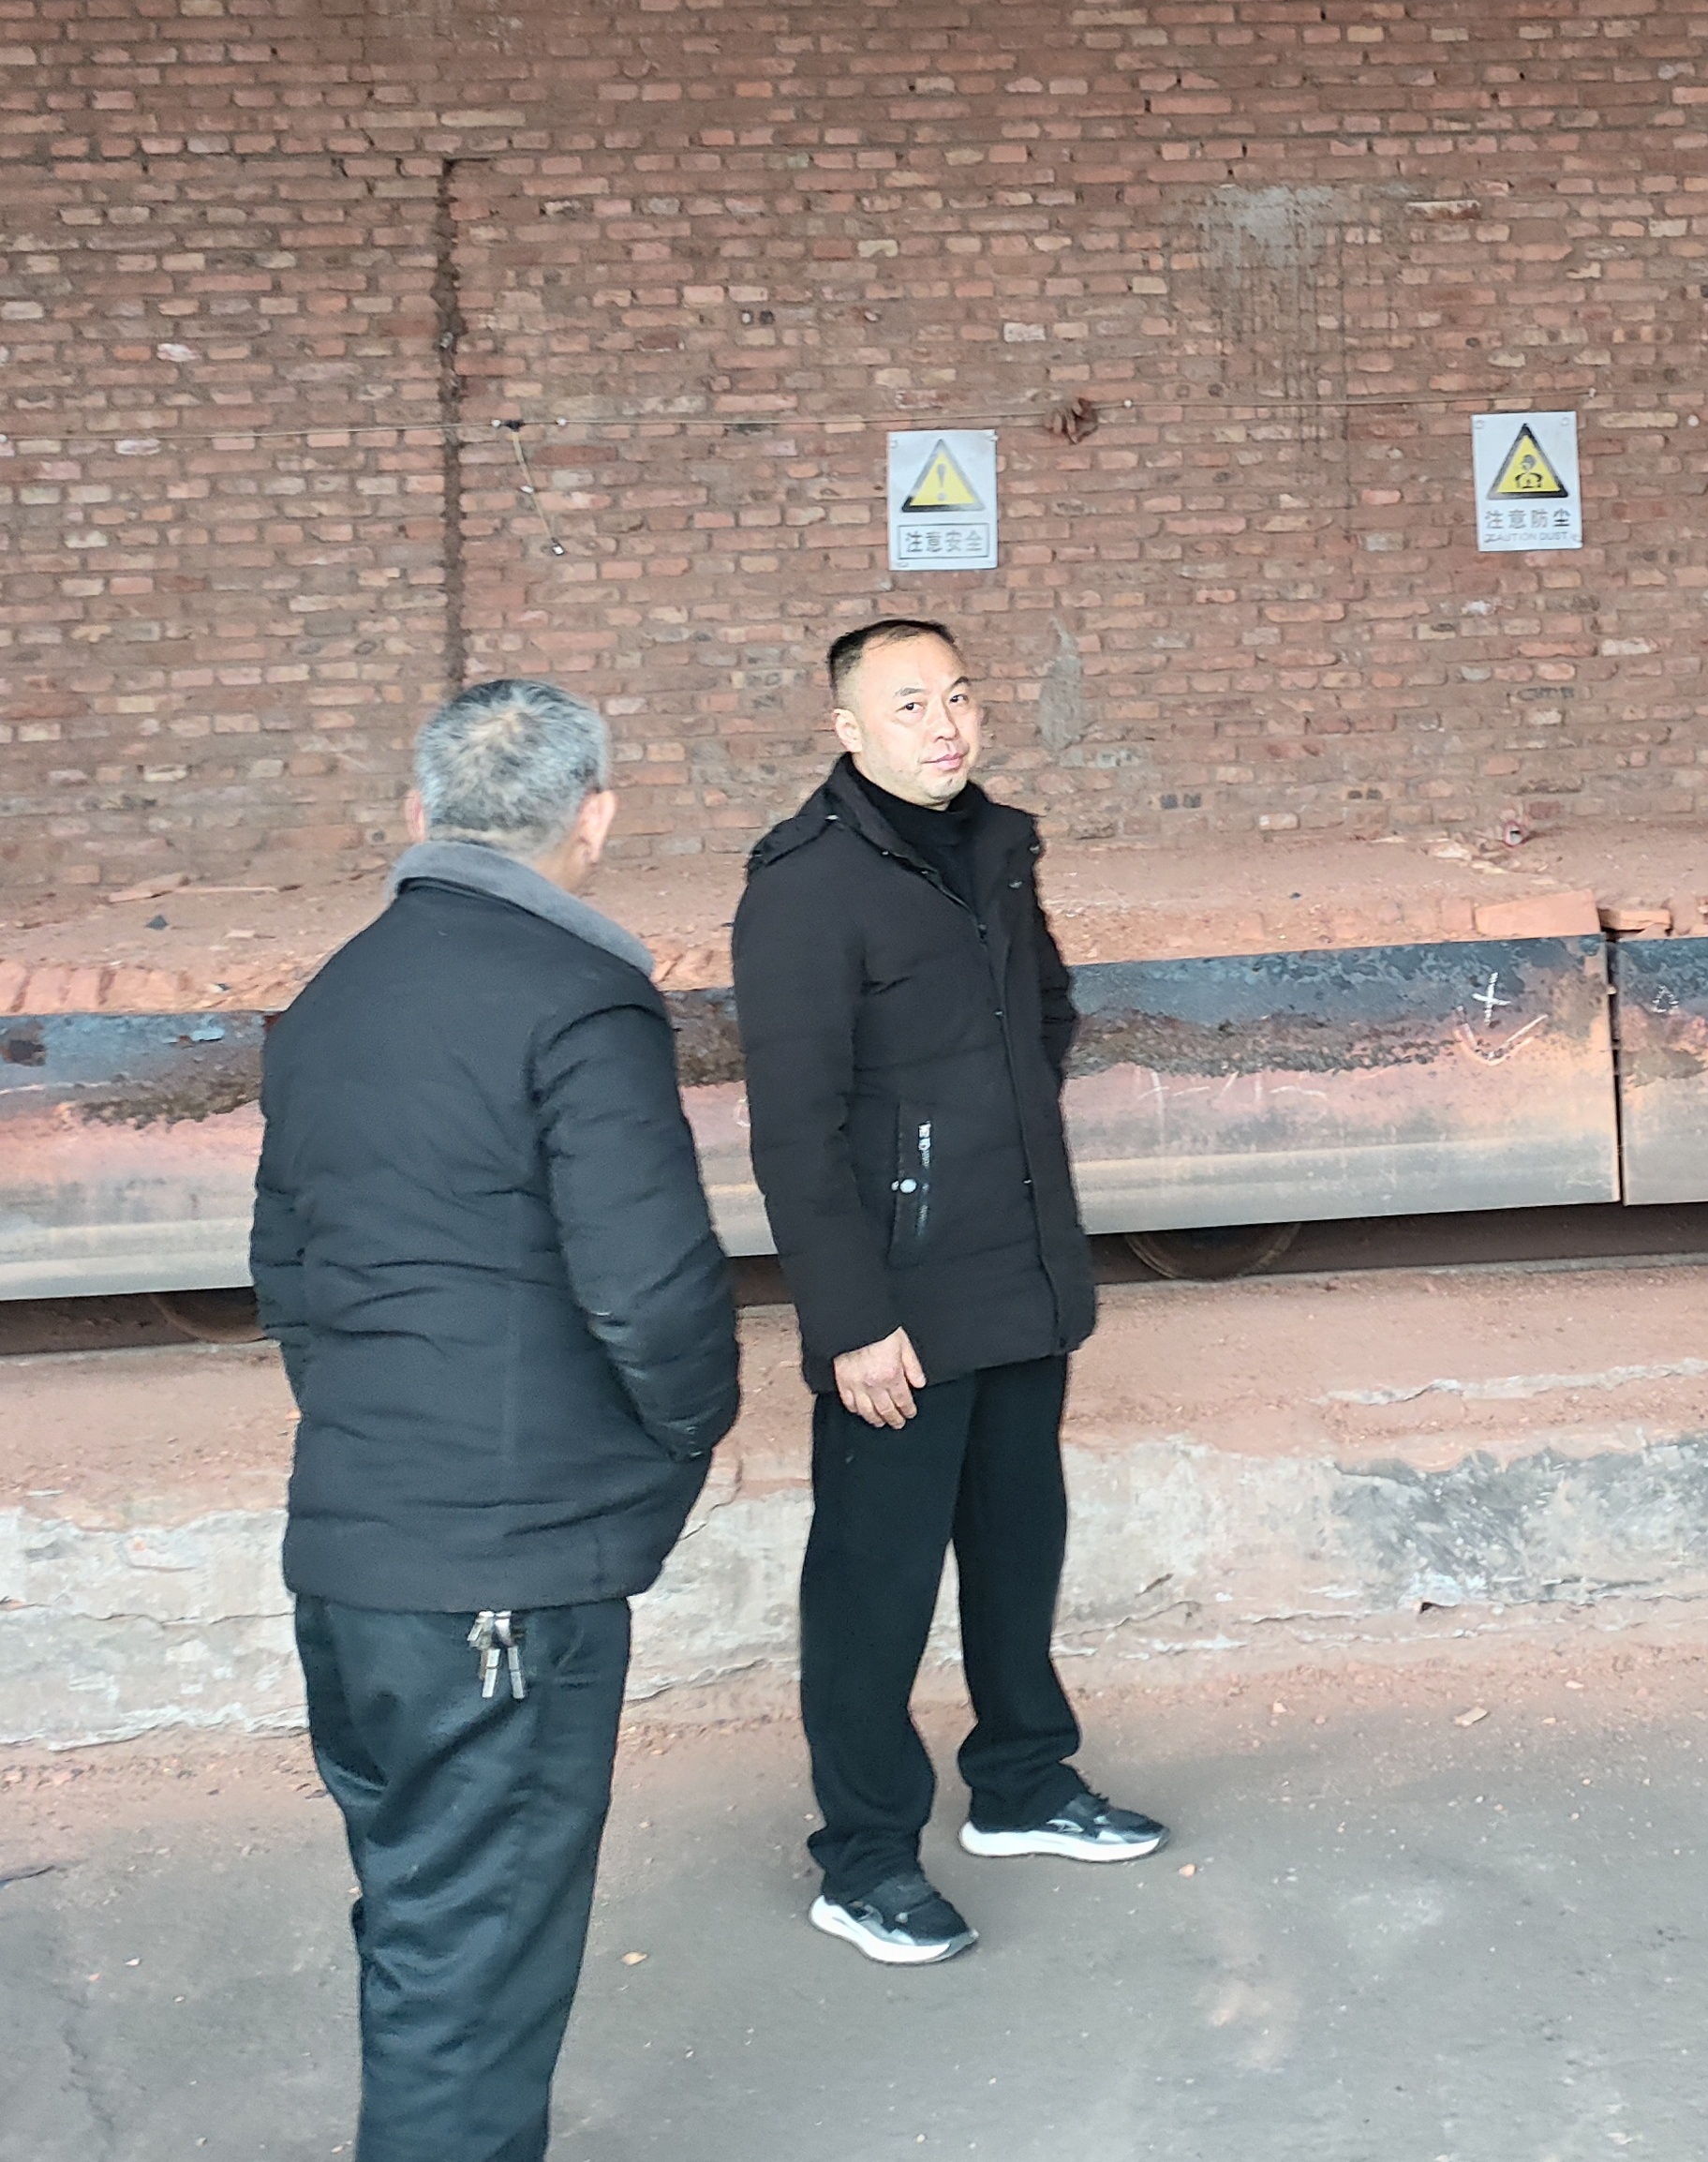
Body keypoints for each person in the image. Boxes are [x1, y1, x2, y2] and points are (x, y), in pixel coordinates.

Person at [254, 680, 742, 2161]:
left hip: (351, 1559)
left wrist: (381, 1441)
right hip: (504, 1581)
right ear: (595, 820)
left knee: (426, 1925)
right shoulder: (582, 1000)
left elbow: (288, 1275)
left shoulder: (329, 1000)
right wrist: (679, 1445)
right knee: (471, 1969)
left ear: (418, 813)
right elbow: (652, 1291)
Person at [734, 616, 1162, 1967]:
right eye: (910, 704)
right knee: (875, 1584)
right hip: (900, 1303)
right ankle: (864, 1857)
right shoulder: (804, 884)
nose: (945, 724)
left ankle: (1022, 1782)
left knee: (1018, 1544)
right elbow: (792, 1128)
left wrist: (997, 1142)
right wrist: (850, 1320)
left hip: (1018, 1268)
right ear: (848, 730)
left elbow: (1044, 1014)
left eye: (960, 696)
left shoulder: (996, 846)